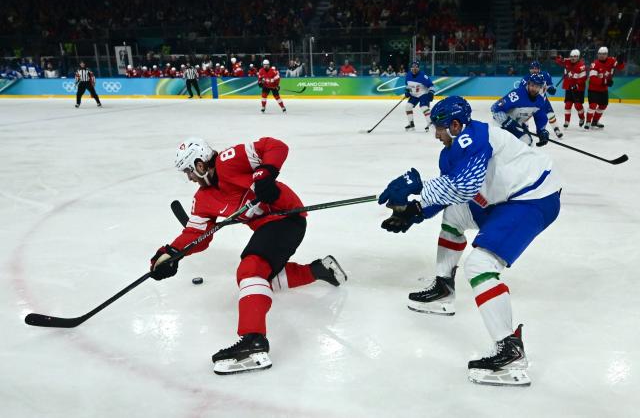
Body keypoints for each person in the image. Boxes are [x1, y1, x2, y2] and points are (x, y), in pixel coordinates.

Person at [377, 96, 561, 386]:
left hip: (533, 199)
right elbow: (451, 194)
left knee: (480, 264)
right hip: (504, 197)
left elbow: (464, 185)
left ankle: (509, 350)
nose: (435, 134)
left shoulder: (475, 139)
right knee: (454, 215)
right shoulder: (451, 149)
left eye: (439, 128)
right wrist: (414, 212)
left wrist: (418, 195)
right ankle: (443, 288)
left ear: (455, 124)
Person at [150, 137, 347, 375]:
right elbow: (196, 233)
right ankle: (318, 270)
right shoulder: (203, 198)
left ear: (200, 164)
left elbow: (274, 146)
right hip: (267, 228)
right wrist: (170, 254)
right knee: (260, 282)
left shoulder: (228, 161)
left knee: (250, 270)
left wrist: (265, 173)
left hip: (288, 218)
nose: (189, 178)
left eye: (189, 171)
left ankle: (253, 343)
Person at [491, 73, 550, 147]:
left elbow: (541, 118)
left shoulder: (540, 101)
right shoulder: (517, 94)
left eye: (537, 87)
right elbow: (495, 108)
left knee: (528, 144)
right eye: (532, 85)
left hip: (517, 125)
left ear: (540, 88)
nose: (534, 89)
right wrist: (508, 122)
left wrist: (542, 131)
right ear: (528, 84)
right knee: (504, 147)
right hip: (500, 124)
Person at [585, 47, 625, 129]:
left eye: (604, 54)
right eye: (600, 54)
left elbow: (620, 67)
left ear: (607, 54)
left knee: (603, 106)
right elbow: (592, 79)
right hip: (593, 89)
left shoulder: (612, 60)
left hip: (603, 90)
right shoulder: (594, 64)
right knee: (593, 106)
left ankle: (595, 121)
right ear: (597, 55)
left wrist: (621, 61)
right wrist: (605, 82)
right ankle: (588, 122)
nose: (601, 56)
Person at [521, 61, 562, 138]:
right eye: (532, 69)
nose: (534, 70)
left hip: (543, 100)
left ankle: (556, 129)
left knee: (550, 114)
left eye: (536, 68)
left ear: (539, 69)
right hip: (530, 101)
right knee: (525, 115)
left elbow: (550, 87)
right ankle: (525, 130)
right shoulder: (525, 78)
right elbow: (521, 91)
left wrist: (551, 89)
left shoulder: (546, 75)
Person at [555, 49, 587, 128]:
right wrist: (559, 56)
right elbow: (559, 61)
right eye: (571, 56)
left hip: (578, 89)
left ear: (578, 57)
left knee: (578, 105)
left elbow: (583, 78)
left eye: (575, 57)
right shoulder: (567, 61)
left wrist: (576, 85)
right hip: (569, 87)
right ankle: (567, 121)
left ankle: (582, 118)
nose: (573, 58)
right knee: (568, 105)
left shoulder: (582, 66)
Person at [404, 61, 435, 132]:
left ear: (418, 68)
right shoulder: (408, 75)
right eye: (413, 68)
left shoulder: (423, 76)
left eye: (416, 68)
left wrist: (431, 93)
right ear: (411, 68)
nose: (414, 69)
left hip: (423, 94)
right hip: (414, 95)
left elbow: (431, 85)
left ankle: (430, 123)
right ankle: (411, 124)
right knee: (408, 106)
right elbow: (407, 86)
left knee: (424, 107)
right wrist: (407, 92)